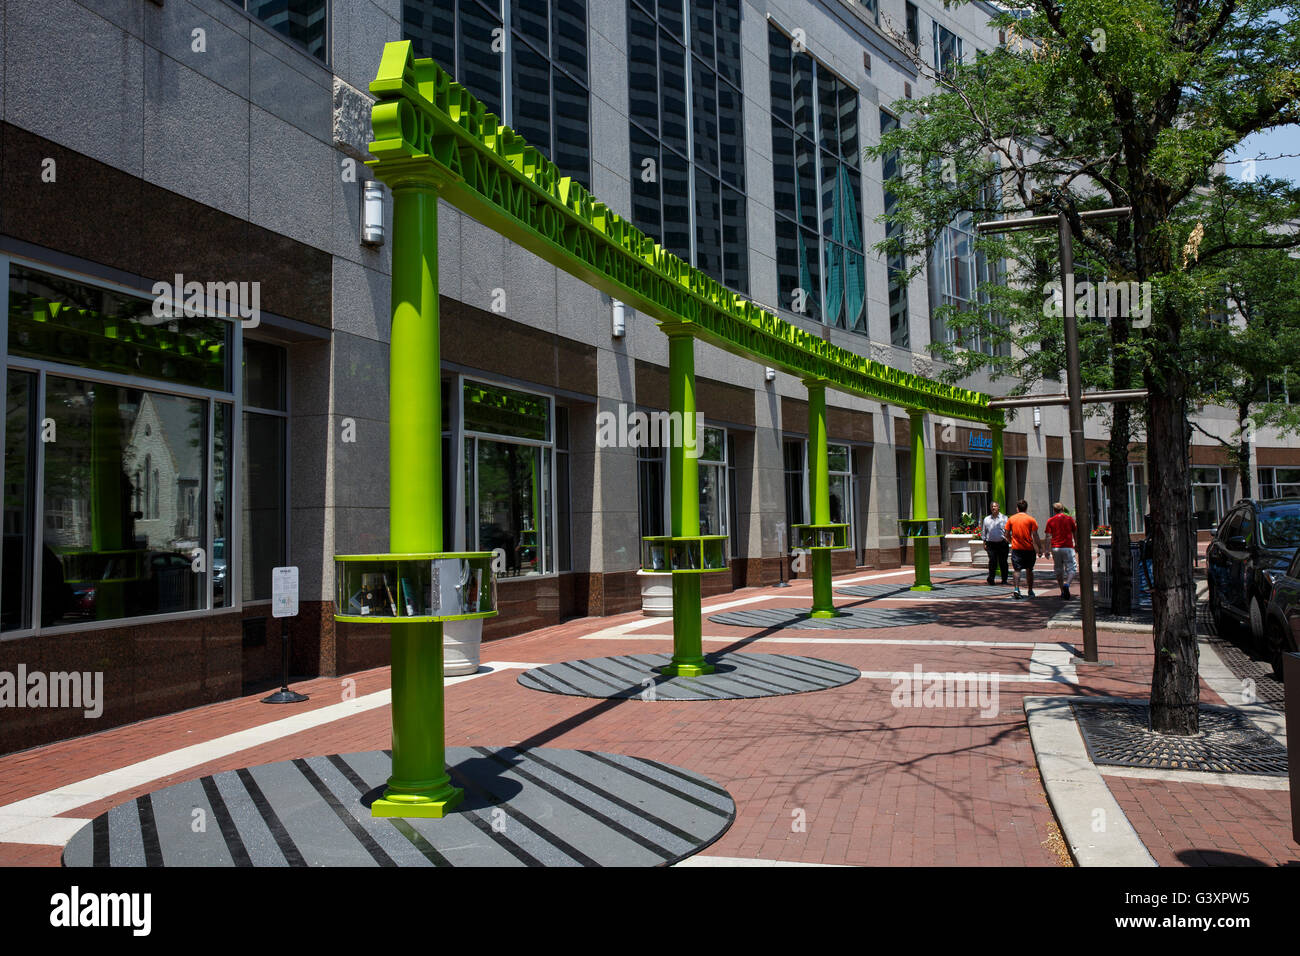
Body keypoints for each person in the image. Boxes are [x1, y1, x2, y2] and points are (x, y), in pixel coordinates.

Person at [1004, 498, 1045, 599]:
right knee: (1029, 570)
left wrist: (1011, 541)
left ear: (1017, 508)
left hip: (1016, 549)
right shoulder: (1031, 519)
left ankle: (1016, 589)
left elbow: (1006, 534)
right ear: (1026, 508)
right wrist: (1040, 548)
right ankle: (1030, 590)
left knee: (1017, 570)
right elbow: (1035, 535)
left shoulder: (1011, 519)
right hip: (1029, 549)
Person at [1045, 501, 1079, 599]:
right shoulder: (1069, 519)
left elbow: (1048, 536)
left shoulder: (1050, 520)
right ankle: (1067, 584)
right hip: (1068, 547)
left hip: (1055, 548)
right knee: (1072, 568)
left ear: (1054, 510)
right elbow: (1075, 532)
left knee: (1058, 569)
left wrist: (1046, 549)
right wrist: (1076, 543)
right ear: (1063, 509)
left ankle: (1062, 590)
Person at [981, 502, 1009, 585]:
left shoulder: (1004, 518)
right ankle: (991, 579)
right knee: (992, 562)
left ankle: (1004, 580)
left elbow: (1008, 530)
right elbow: (984, 532)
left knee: (1003, 562)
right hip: (991, 544)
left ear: (998, 508)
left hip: (1002, 543)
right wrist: (984, 542)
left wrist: (1008, 539)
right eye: (992, 506)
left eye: (995, 506)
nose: (993, 508)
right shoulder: (986, 519)